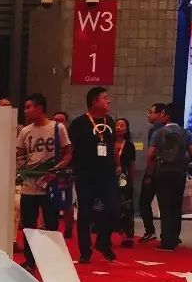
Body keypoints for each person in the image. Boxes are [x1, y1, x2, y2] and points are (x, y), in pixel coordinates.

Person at [15, 93, 72, 268]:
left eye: (28, 107)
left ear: (39, 108)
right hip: (29, 186)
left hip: (50, 186)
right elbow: (19, 154)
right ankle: (30, 261)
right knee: (29, 226)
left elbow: (68, 153)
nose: (25, 111)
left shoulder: (58, 128)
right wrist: (24, 170)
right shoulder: (25, 131)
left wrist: (56, 169)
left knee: (51, 226)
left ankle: (51, 262)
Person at [67, 87, 119, 262]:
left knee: (113, 208)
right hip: (85, 174)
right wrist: (68, 167)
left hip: (107, 173)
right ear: (94, 102)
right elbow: (70, 148)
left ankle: (103, 241)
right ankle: (85, 250)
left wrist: (118, 165)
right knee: (85, 212)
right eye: (105, 98)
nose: (108, 101)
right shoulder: (79, 123)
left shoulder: (109, 121)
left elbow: (113, 147)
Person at [145, 103, 192, 251]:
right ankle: (174, 238)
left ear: (168, 116)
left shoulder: (158, 133)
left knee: (165, 207)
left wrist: (149, 173)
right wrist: (185, 161)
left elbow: (150, 155)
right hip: (179, 174)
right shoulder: (186, 133)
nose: (161, 115)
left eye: (163, 113)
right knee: (176, 206)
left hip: (162, 173)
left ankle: (166, 242)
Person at [138, 103, 169, 242]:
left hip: (154, 171)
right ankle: (169, 236)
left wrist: (149, 174)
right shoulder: (176, 130)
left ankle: (150, 231)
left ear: (159, 114)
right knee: (166, 205)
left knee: (144, 201)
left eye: (151, 112)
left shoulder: (156, 130)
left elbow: (152, 154)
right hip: (168, 171)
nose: (148, 114)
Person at [47, 111, 74, 236]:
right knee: (48, 201)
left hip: (65, 174)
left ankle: (68, 228)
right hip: (49, 174)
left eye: (61, 120)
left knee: (67, 202)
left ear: (66, 122)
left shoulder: (70, 138)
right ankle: (48, 226)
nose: (58, 122)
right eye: (55, 120)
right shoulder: (48, 135)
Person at [113, 118, 137, 247]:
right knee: (108, 206)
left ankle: (126, 236)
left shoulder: (129, 146)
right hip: (108, 178)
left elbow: (132, 165)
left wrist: (131, 181)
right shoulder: (107, 143)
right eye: (117, 125)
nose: (119, 127)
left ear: (126, 130)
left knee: (125, 207)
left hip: (123, 178)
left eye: (122, 125)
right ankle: (105, 236)